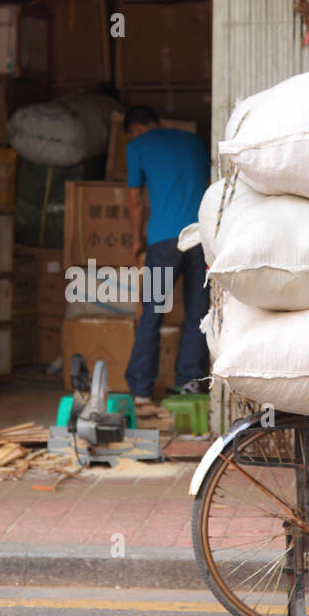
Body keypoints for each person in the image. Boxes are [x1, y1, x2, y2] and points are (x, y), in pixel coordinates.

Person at [122, 106, 211, 405]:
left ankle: (141, 391)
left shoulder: (137, 146)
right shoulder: (196, 142)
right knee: (198, 315)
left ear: (135, 129)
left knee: (152, 314)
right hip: (201, 238)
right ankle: (190, 385)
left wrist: (137, 240)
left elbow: (135, 202)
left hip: (163, 243)